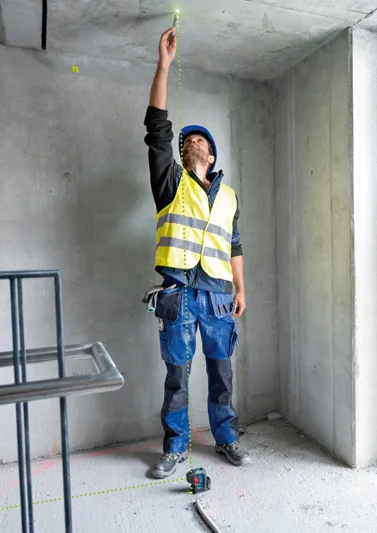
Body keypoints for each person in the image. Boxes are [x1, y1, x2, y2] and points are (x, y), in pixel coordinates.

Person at [143, 26, 250, 479]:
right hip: (179, 293)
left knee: (222, 373)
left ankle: (226, 438)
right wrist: (164, 65)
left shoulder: (229, 197)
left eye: (199, 140)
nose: (191, 142)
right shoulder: (170, 183)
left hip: (220, 296)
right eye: (186, 141)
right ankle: (175, 446)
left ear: (212, 154)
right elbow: (157, 129)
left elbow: (234, 245)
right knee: (177, 376)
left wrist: (241, 288)